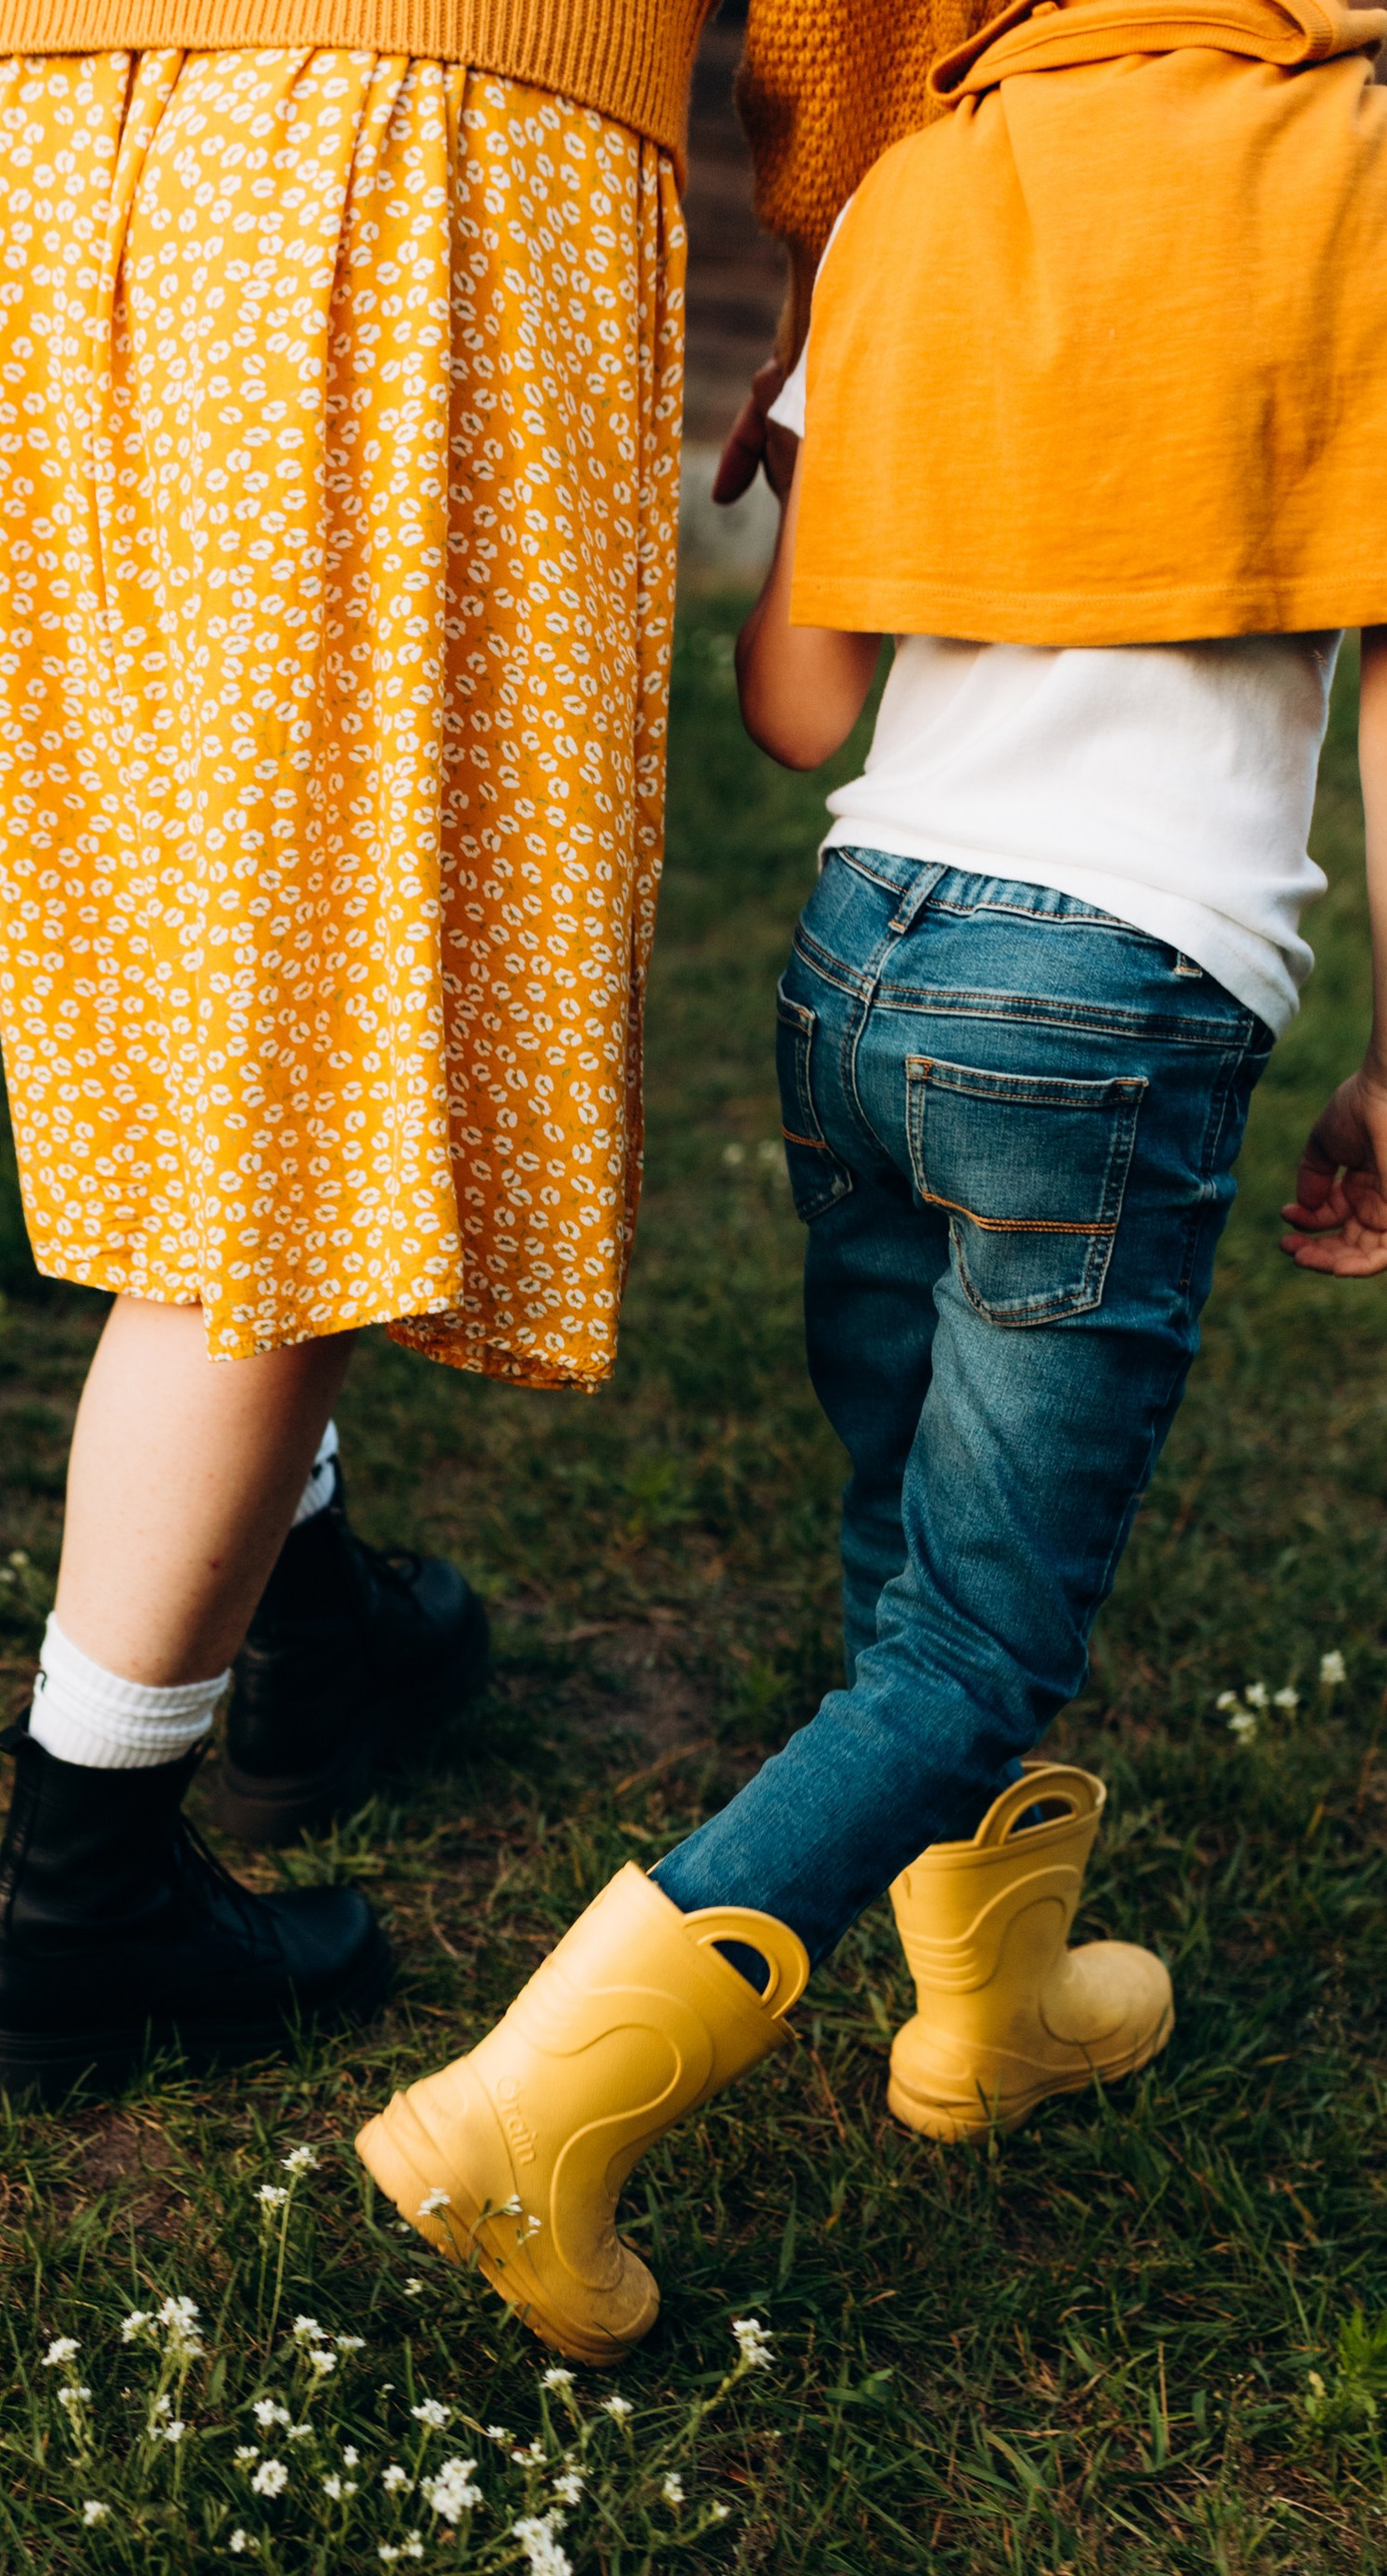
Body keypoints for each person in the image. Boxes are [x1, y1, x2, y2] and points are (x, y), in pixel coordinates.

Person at [0, 0, 970, 2102]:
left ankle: (302, 1615)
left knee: (184, 979)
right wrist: (851, 240)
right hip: (412, 139)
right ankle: (81, 1898)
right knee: (291, 1056)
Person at [357, 0, 1387, 2361]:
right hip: (1110, 995)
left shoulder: (917, 183)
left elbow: (795, 706)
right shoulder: (1341, 175)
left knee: (900, 1541)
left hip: (861, 953)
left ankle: (986, 2013)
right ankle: (531, 2111)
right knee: (975, 1638)